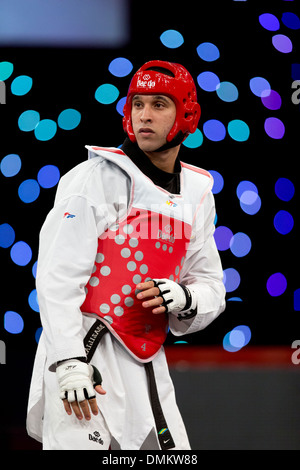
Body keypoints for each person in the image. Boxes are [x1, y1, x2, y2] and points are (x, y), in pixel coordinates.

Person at [26, 60, 226, 450]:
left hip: (148, 359)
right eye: (137, 104)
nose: (144, 116)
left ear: (187, 114)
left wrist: (185, 299)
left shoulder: (199, 192)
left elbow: (210, 284)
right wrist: (69, 363)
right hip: (85, 354)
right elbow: (56, 279)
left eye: (158, 104)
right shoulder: (91, 179)